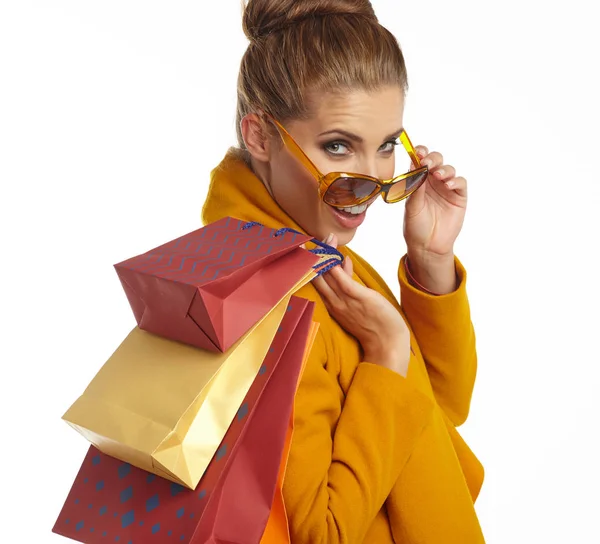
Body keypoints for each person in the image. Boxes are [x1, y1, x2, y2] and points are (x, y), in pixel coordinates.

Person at [202, 0, 485, 541]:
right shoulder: (279, 303)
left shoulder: (323, 258)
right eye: (338, 146)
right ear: (261, 136)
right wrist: (384, 350)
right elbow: (320, 535)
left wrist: (430, 263)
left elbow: (439, 408)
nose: (373, 181)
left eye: (385, 147)